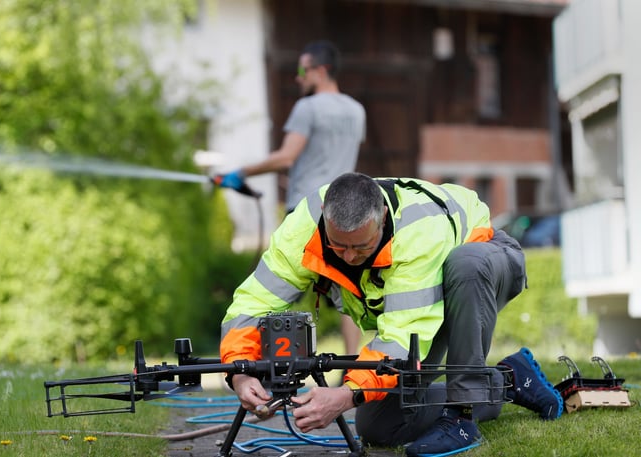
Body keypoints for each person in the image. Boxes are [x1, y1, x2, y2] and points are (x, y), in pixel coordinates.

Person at [220, 173, 564, 457]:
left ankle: (462, 415)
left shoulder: (418, 231)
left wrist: (346, 395)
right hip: (420, 305)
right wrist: (240, 372)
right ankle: (505, 380)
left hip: (487, 263)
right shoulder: (303, 228)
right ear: (325, 215)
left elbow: (402, 336)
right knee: (379, 426)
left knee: (466, 264)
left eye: (361, 247)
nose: (350, 257)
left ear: (382, 218)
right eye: (339, 247)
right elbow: (253, 301)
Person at [216, 40, 366, 356]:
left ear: (321, 70)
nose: (298, 77)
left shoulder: (307, 108)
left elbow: (286, 157)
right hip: (342, 211)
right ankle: (352, 365)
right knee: (348, 294)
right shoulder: (356, 110)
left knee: (277, 290)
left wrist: (240, 173)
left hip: (307, 211)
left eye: (302, 69)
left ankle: (257, 362)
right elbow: (331, 159)